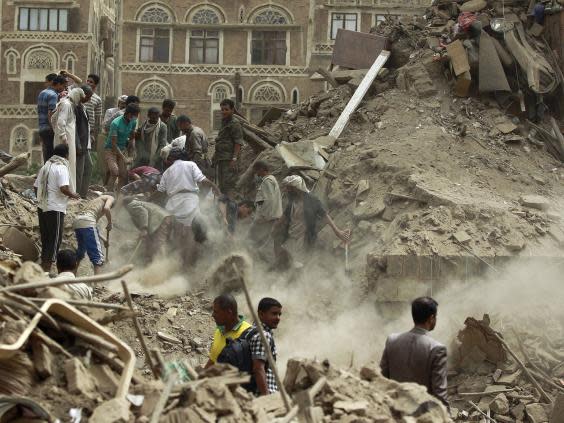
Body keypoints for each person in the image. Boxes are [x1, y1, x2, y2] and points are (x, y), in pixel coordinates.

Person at [380, 297, 448, 406]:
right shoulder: (436, 348)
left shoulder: (392, 340)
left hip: (394, 411)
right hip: (422, 415)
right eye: (436, 317)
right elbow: (440, 395)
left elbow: (381, 379)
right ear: (431, 318)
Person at [157, 148, 220, 262]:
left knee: (176, 237)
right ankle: (191, 264)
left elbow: (160, 192)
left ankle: (174, 265)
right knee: (192, 234)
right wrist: (215, 187)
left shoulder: (166, 172)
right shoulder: (190, 164)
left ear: (171, 159)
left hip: (172, 205)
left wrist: (150, 199)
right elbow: (203, 180)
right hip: (190, 202)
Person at [274, 175, 349, 267]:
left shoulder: (312, 200)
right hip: (291, 236)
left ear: (297, 188)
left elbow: (324, 215)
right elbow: (285, 215)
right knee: (285, 259)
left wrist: (338, 232)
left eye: (289, 188)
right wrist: (276, 226)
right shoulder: (293, 201)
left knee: (298, 264)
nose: (287, 190)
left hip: (304, 238)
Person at [34, 144, 80, 271]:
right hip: (55, 209)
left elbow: (36, 187)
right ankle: (47, 269)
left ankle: (43, 267)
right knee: (55, 240)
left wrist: (41, 200)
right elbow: (63, 188)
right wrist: (74, 195)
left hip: (42, 208)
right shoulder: (61, 167)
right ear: (66, 155)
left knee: (46, 238)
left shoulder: (45, 166)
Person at [205, 294, 252, 368]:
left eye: (216, 312)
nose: (213, 315)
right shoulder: (219, 330)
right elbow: (213, 360)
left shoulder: (248, 334)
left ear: (229, 313)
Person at [53, 87, 86, 189]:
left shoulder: (68, 104)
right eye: (80, 99)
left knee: (69, 164)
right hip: (66, 139)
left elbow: (53, 118)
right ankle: (65, 189)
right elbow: (60, 121)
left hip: (68, 137)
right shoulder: (66, 105)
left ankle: (68, 189)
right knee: (65, 163)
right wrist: (63, 138)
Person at [72, 194, 114, 274]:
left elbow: (92, 229)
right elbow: (106, 208)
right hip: (87, 222)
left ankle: (72, 277)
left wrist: (104, 240)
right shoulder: (110, 197)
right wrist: (110, 223)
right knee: (97, 255)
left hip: (77, 221)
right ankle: (97, 284)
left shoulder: (94, 203)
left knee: (80, 253)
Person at [124, 195, 173, 262]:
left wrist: (144, 229)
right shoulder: (138, 203)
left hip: (159, 220)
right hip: (161, 219)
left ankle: (160, 263)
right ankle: (151, 262)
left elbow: (143, 213)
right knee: (151, 243)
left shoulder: (131, 205)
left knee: (158, 243)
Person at [249, 297, 282, 396]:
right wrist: (267, 398)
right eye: (274, 313)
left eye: (279, 314)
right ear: (261, 314)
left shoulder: (251, 331)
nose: (278, 318)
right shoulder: (263, 335)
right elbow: (258, 368)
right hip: (263, 396)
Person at [104, 103, 140, 191]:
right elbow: (113, 144)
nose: (136, 117)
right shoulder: (115, 123)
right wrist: (124, 158)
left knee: (123, 175)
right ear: (129, 114)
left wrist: (131, 154)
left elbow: (132, 139)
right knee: (115, 172)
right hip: (111, 149)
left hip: (122, 149)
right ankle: (109, 193)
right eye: (135, 115)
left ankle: (118, 196)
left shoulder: (133, 122)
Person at [212, 99, 244, 196]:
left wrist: (234, 159)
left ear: (232, 110)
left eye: (226, 109)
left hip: (229, 160)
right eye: (222, 109)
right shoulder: (224, 122)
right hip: (221, 159)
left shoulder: (235, 123)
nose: (223, 112)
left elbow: (238, 142)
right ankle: (224, 208)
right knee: (222, 186)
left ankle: (232, 208)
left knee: (229, 186)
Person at [249, 161, 282, 247]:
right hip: (269, 217)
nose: (256, 174)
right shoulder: (270, 180)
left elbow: (269, 200)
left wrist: (264, 217)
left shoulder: (268, 181)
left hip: (267, 218)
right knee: (262, 241)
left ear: (261, 169)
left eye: (256, 171)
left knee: (254, 238)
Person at [37, 74, 66, 162]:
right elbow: (51, 114)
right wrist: (54, 129)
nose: (63, 88)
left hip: (42, 127)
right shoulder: (53, 95)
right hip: (49, 129)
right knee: (51, 156)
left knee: (46, 154)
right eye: (63, 86)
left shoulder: (42, 92)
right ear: (58, 84)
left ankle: (46, 173)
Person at [75, 84, 93, 198]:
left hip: (85, 144)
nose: (89, 99)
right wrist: (77, 145)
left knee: (89, 166)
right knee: (79, 171)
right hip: (80, 145)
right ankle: (76, 195)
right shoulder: (75, 107)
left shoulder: (83, 107)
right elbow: (74, 129)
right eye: (88, 96)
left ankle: (83, 194)